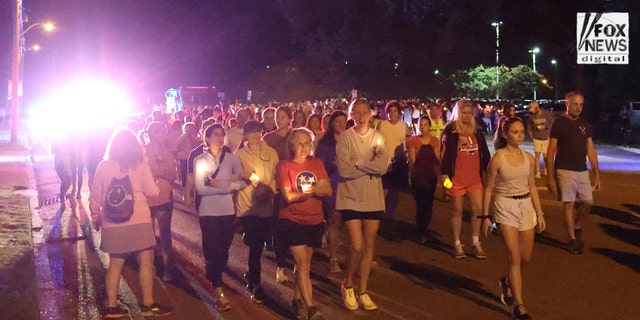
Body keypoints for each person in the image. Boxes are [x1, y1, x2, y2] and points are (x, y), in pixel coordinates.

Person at [90, 129, 172, 318]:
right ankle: (148, 304)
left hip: (112, 221)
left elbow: (95, 196)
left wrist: (96, 217)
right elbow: (152, 192)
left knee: (115, 264)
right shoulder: (141, 165)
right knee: (145, 263)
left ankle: (112, 306)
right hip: (139, 221)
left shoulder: (104, 166)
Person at [482, 117, 546, 320]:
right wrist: (485, 216)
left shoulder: (528, 158)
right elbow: (489, 188)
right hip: (505, 207)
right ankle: (519, 305)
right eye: (516, 132)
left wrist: (539, 212)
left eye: (522, 132)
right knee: (514, 256)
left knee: (525, 257)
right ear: (505, 134)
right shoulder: (498, 159)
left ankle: (507, 281)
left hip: (525, 206)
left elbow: (532, 186)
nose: (520, 135)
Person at [336, 99, 389, 311]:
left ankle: (363, 290)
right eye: (356, 112)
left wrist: (358, 163)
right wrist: (369, 167)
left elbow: (383, 167)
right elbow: (344, 170)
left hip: (373, 197)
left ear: (370, 113)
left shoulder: (378, 137)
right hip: (350, 197)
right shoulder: (345, 138)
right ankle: (348, 283)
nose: (360, 115)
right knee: (356, 246)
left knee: (369, 246)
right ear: (351, 115)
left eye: (364, 112)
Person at [276, 128, 332, 320]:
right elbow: (288, 196)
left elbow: (327, 190)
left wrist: (315, 190)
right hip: (292, 220)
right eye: (299, 143)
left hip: (315, 219)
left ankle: (297, 298)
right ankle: (311, 307)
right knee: (301, 263)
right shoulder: (284, 166)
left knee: (305, 265)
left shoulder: (317, 163)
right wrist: (312, 191)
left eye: (307, 143)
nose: (303, 147)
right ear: (291, 145)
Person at [194, 124, 247, 311]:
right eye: (215, 134)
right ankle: (219, 290)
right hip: (208, 213)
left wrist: (223, 185)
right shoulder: (200, 160)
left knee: (223, 250)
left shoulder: (231, 158)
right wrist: (227, 187)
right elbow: (201, 189)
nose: (219, 137)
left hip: (227, 212)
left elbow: (242, 182)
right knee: (212, 249)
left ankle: (214, 273)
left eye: (222, 135)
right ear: (207, 138)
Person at [546, 91, 601, 254]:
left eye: (581, 105)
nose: (579, 108)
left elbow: (590, 149)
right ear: (567, 104)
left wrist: (597, 173)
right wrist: (550, 177)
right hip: (564, 169)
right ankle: (572, 239)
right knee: (569, 204)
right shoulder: (559, 124)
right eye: (575, 104)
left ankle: (577, 226)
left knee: (588, 202)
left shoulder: (585, 124)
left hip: (582, 169)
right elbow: (551, 151)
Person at [440, 99, 491, 259]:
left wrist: (489, 169)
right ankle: (457, 243)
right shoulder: (451, 130)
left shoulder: (477, 129)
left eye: (470, 113)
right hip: (456, 179)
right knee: (457, 211)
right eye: (464, 113)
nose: (467, 116)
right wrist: (444, 176)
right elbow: (445, 155)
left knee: (477, 210)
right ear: (458, 113)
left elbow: (484, 151)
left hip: (474, 179)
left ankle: (475, 242)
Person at [235, 120, 279, 303]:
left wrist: (268, 189)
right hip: (247, 205)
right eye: (252, 132)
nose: (256, 135)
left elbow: (276, 176)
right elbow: (233, 179)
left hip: (265, 205)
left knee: (258, 244)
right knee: (255, 247)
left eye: (258, 131)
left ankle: (252, 271)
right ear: (245, 136)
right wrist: (243, 176)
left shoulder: (271, 153)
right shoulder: (239, 155)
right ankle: (256, 283)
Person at [141, 122, 178, 282]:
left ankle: (167, 267)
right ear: (153, 133)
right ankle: (153, 266)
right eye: (161, 131)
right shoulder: (142, 152)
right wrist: (160, 173)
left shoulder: (167, 151)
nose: (165, 134)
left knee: (164, 233)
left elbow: (172, 174)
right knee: (150, 234)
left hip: (164, 196)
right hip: (147, 198)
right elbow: (142, 174)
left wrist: (159, 173)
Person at [262, 106, 294, 283]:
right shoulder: (268, 138)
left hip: (293, 183)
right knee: (278, 225)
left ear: (289, 119)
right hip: (275, 185)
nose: (278, 119)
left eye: (282, 116)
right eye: (276, 116)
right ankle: (280, 264)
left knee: (292, 224)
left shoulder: (296, 136)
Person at [315, 110, 348, 273]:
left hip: (350, 186)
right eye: (337, 121)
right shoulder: (325, 144)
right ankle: (333, 259)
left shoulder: (352, 140)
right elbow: (319, 165)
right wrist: (333, 164)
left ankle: (357, 257)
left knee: (351, 224)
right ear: (331, 124)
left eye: (343, 121)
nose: (341, 124)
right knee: (333, 222)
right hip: (333, 185)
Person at [377, 100, 411, 232]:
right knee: (384, 191)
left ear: (399, 112)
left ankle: (389, 217)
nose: (392, 113)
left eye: (395, 110)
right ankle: (380, 216)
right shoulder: (382, 125)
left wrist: (408, 155)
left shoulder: (403, 126)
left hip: (398, 162)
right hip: (384, 161)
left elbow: (409, 142)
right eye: (390, 111)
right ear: (387, 112)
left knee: (394, 192)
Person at [407, 116, 441, 245]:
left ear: (429, 127)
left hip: (430, 177)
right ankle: (421, 230)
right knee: (420, 205)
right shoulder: (414, 141)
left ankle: (424, 228)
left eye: (425, 124)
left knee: (428, 204)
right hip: (418, 177)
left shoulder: (434, 141)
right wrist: (410, 176)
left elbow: (437, 160)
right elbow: (412, 161)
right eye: (420, 125)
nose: (422, 127)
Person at [526, 101, 554, 179]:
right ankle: (537, 172)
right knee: (537, 155)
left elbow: (551, 122)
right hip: (536, 138)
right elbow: (529, 126)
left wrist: (544, 127)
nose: (533, 112)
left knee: (545, 155)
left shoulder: (546, 114)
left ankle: (545, 170)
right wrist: (531, 134)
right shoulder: (531, 116)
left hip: (545, 137)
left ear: (537, 108)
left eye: (534, 110)